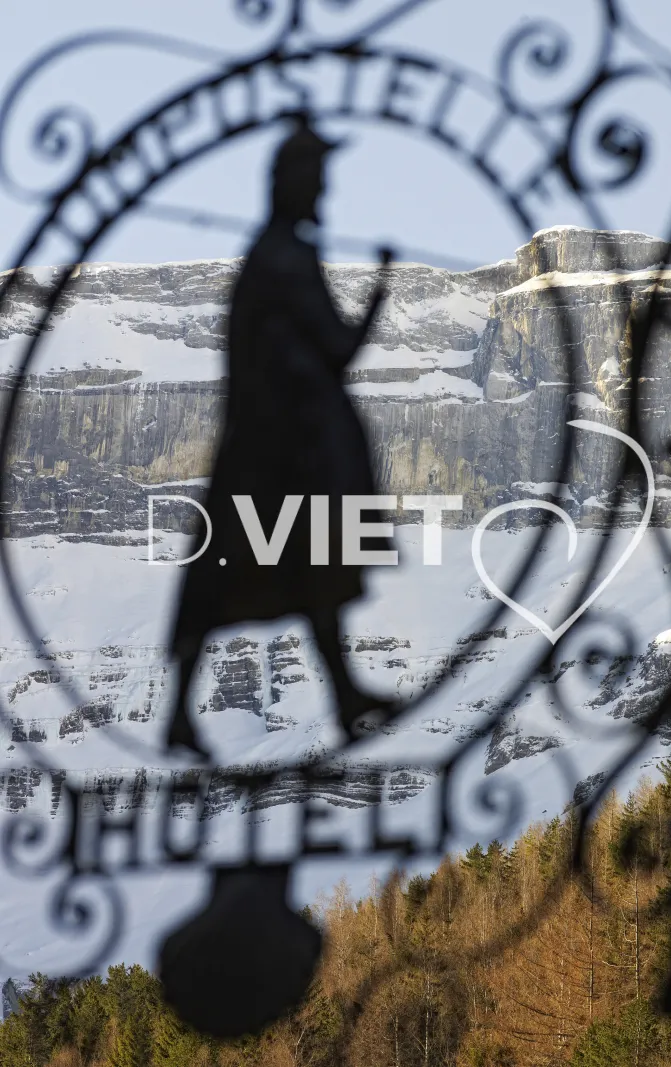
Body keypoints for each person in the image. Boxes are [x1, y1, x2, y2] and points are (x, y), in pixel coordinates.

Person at [166, 115, 397, 756]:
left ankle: (339, 697)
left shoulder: (271, 254)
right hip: (284, 454)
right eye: (316, 178)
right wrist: (381, 287)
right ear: (293, 183)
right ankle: (188, 714)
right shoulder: (287, 258)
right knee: (289, 567)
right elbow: (338, 347)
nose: (323, 191)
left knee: (287, 572)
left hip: (271, 448)